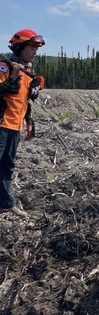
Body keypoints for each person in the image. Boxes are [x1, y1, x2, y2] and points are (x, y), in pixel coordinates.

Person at [1, 29, 45, 218]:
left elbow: (23, 100)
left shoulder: (27, 71)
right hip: (1, 124)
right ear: (19, 47)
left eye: (37, 48)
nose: (35, 52)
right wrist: (11, 80)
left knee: (6, 166)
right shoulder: (5, 66)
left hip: (14, 126)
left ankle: (5, 203)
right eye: (32, 47)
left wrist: (28, 120)